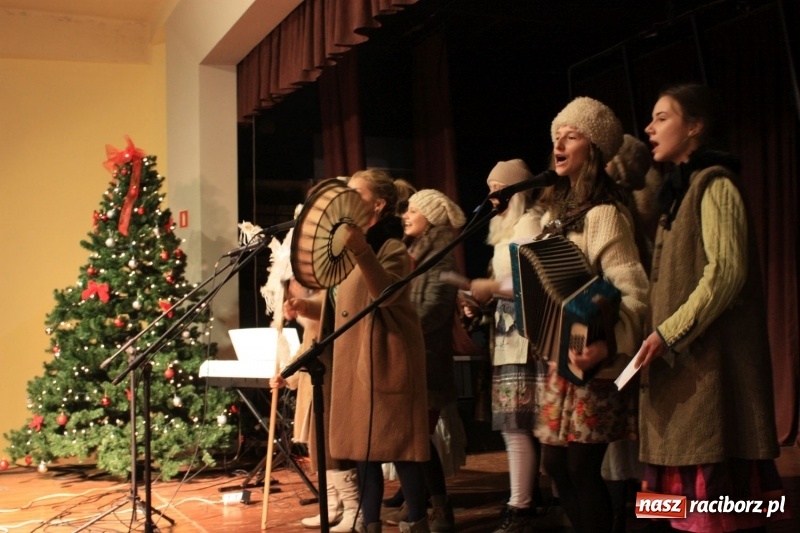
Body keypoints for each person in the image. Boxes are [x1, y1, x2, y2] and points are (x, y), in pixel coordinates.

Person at [635, 83, 783, 532]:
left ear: (695, 126)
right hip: (683, 387)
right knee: (669, 514)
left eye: (663, 117)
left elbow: (726, 273)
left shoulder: (716, 184)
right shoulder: (675, 196)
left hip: (713, 383)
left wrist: (668, 333)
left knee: (717, 517)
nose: (649, 127)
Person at [283, 169, 431, 533]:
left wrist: (362, 250)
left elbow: (387, 294)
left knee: (401, 448)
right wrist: (308, 308)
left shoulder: (390, 248)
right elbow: (342, 306)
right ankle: (370, 523)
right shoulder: (345, 254)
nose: (345, 201)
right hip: (351, 363)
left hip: (385, 357)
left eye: (355, 194)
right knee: (362, 450)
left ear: (378, 204)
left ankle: (419, 521)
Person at [532, 96, 649, 533]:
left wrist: (606, 343)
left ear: (594, 149)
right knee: (556, 466)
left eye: (572, 135)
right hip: (560, 365)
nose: (559, 143)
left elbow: (633, 292)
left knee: (581, 469)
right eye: (557, 136)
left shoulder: (605, 215)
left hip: (592, 363)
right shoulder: (560, 216)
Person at [466, 159, 548, 533]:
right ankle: (525, 500)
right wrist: (480, 297)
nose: (491, 196)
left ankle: (522, 506)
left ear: (516, 191)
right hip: (508, 331)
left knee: (519, 424)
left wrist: (489, 290)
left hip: (525, 335)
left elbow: (531, 283)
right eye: (489, 187)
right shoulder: (507, 230)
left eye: (498, 188)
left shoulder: (529, 225)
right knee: (515, 425)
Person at [382, 189, 467, 532]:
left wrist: (397, 322)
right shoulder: (414, 253)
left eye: (413, 210)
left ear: (430, 217)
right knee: (412, 438)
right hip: (409, 358)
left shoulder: (441, 258)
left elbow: (434, 310)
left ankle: (439, 508)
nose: (405, 215)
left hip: (427, 362)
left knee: (416, 438)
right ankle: (423, 504)